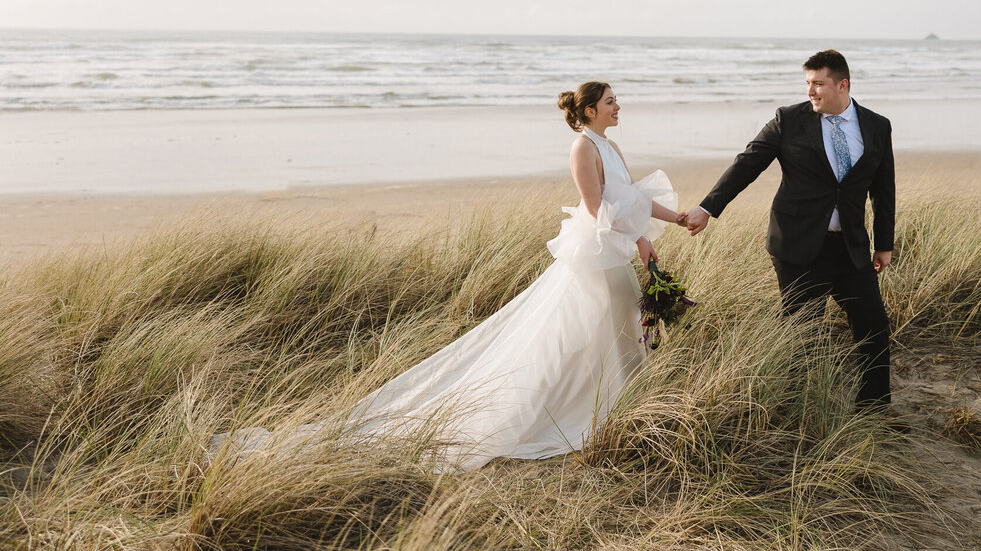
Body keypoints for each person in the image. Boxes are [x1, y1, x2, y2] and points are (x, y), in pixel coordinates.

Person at [212, 82, 685, 471]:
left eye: (615, 100)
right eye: (610, 101)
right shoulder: (583, 147)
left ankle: (619, 406)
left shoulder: (611, 144)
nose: (618, 105)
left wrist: (676, 217)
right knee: (610, 320)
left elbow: (633, 199)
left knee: (616, 324)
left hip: (613, 251)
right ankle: (593, 411)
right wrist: (642, 240)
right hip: (596, 255)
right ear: (587, 110)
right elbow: (597, 207)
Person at [684, 50, 895, 412]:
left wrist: (884, 243)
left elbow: (883, 188)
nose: (811, 91)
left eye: (818, 84)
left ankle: (874, 407)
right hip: (798, 246)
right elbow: (747, 164)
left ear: (842, 85)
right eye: (807, 83)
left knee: (873, 325)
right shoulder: (788, 120)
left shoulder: (877, 125)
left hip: (850, 248)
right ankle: (798, 409)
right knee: (803, 335)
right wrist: (707, 208)